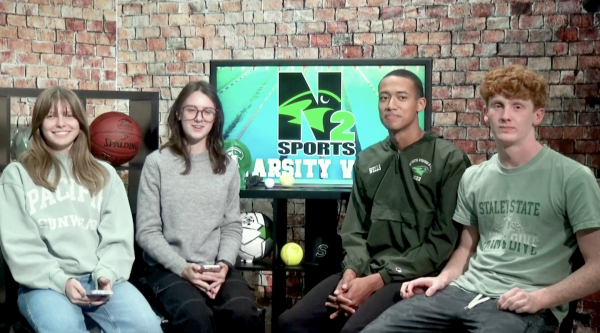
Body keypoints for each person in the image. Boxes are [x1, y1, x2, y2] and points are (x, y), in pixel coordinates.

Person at [362, 65, 600, 333]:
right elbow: (466, 248)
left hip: (523, 303)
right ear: (486, 114)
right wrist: (443, 279)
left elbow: (597, 265)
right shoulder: (474, 177)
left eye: (517, 107)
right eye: (497, 106)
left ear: (538, 116)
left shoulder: (573, 178)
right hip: (461, 292)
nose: (506, 116)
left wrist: (540, 298)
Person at [278, 69, 471, 333]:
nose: (390, 105)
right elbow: (354, 230)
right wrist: (351, 274)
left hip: (412, 276)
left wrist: (376, 281)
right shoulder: (368, 159)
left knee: (353, 330)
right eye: (384, 98)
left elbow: (440, 244)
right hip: (365, 269)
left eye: (401, 97)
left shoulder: (449, 160)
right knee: (290, 323)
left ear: (420, 105)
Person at [0, 86, 162, 333]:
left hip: (100, 280)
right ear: (39, 123)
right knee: (64, 328)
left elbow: (117, 239)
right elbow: (20, 245)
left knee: (147, 326)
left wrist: (106, 276)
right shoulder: (17, 175)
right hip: (44, 284)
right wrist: (61, 281)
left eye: (69, 115)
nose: (61, 123)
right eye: (51, 116)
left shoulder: (105, 174)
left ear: (80, 122)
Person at [135, 81, 263, 333]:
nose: (198, 118)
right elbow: (147, 232)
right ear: (178, 114)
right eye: (191, 110)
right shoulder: (157, 163)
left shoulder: (228, 165)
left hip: (215, 268)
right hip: (168, 269)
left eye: (207, 111)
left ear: (215, 118)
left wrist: (224, 266)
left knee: (243, 313)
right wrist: (184, 269)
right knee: (196, 317)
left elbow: (231, 226)